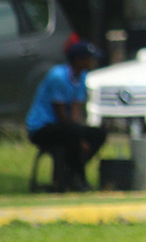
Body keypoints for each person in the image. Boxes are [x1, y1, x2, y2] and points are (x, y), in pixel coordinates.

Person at [25, 39, 107, 192]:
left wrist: (81, 134)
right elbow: (61, 114)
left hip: (65, 128)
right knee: (72, 134)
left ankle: (69, 174)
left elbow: (76, 110)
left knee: (98, 134)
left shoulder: (81, 78)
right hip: (42, 128)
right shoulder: (58, 77)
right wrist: (79, 136)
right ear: (78, 60)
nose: (92, 62)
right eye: (89, 58)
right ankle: (79, 179)